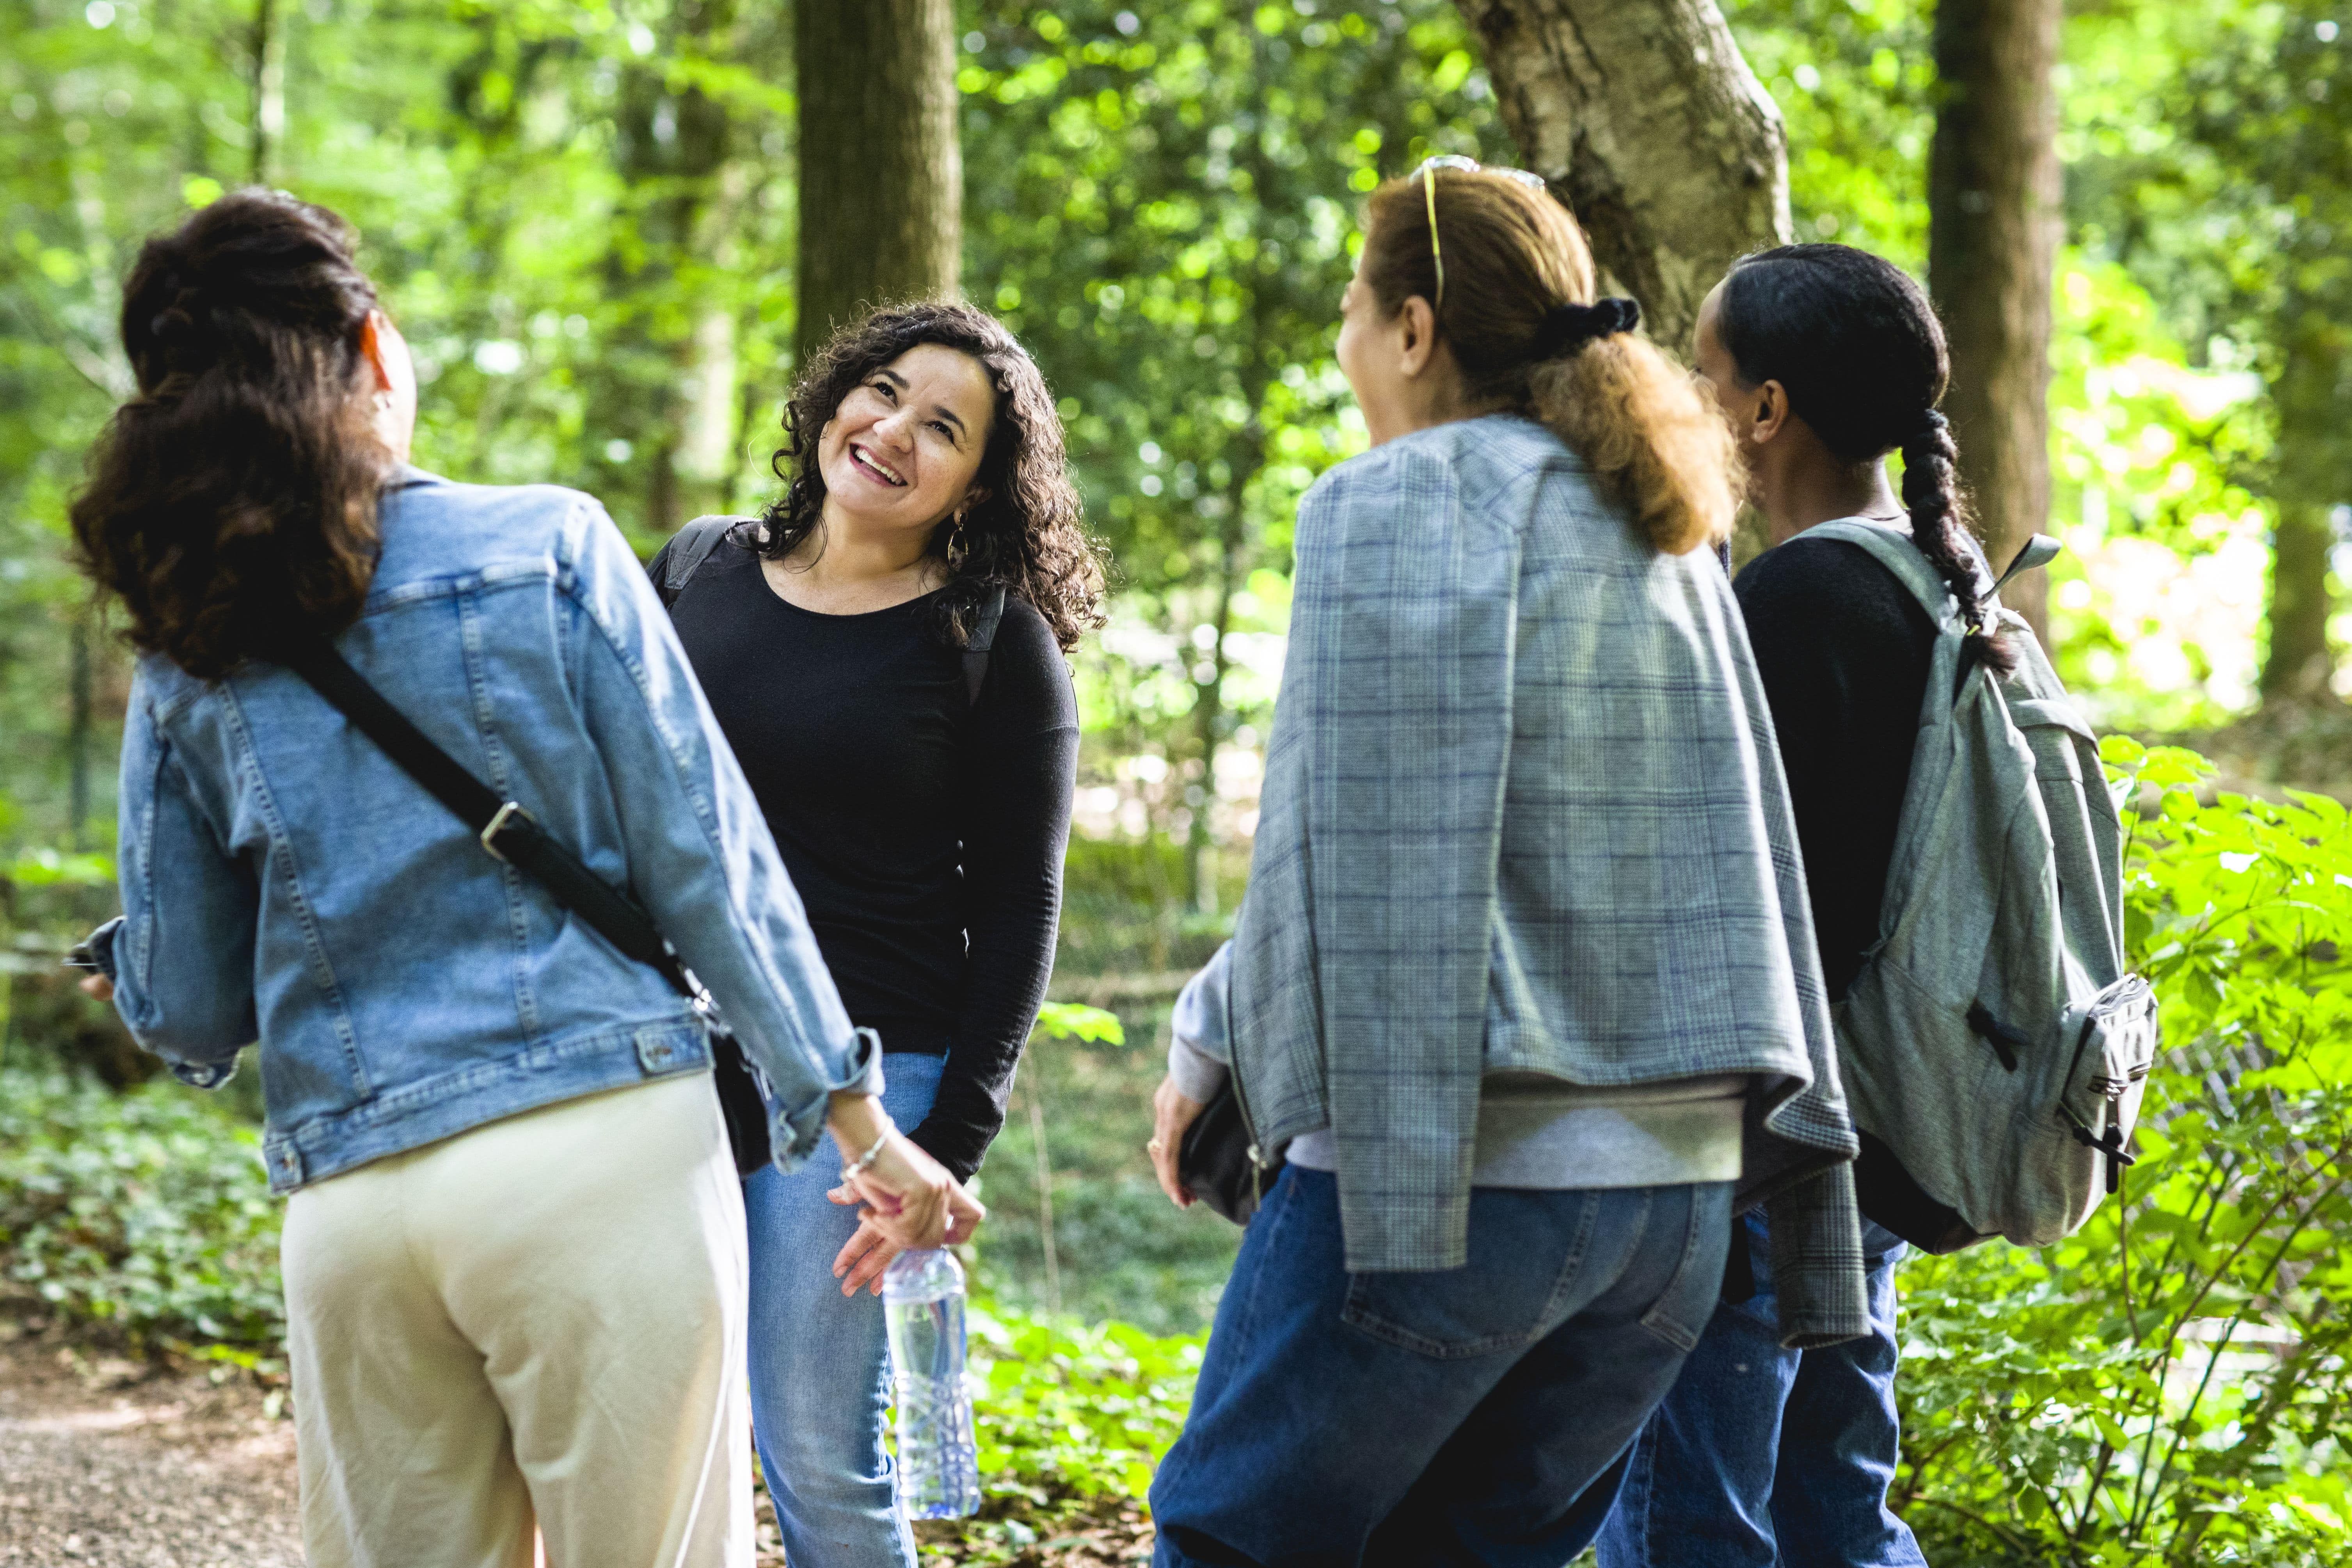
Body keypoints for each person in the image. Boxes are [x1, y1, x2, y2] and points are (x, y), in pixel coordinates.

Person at [67, 189, 979, 1568]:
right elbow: (709, 863)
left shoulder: (189, 642)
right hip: (600, 1157)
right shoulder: (546, 547)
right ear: (374, 349)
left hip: (357, 1202)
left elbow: (189, 1013)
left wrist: (154, 945)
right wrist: (859, 1122)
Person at [1141, 162, 1870, 1568]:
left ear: (1413, 328)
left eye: (1352, 313)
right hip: (1667, 1211)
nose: (1345, 347)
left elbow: (1340, 838)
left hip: (1454, 1174)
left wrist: (1202, 1043)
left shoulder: (1394, 500)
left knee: (1227, 1541)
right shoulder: (1661, 522)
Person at [647, 300, 1099, 1568]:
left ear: (976, 485)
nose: (893, 430)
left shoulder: (989, 642)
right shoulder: (694, 571)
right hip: (660, 1058)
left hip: (862, 1084)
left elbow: (1022, 905)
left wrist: (943, 1145)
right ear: (835, 394)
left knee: (816, 1451)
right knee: (652, 1435)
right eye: (884, 391)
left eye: (942, 427)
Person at [1593, 243, 1989, 1568]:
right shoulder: (1937, 577)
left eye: (1703, 378)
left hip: (1764, 1135)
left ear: (1765, 411)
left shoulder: (1797, 599)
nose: (1686, 406)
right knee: (1835, 1494)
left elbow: (1738, 899)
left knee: (1697, 1509)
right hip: (1876, 1116)